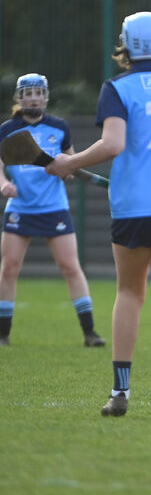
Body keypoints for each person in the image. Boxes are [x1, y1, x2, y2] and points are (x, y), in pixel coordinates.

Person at [47, 11, 151, 419]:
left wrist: (70, 162)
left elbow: (113, 143)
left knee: (129, 293)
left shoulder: (116, 87)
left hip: (134, 206)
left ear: (125, 45)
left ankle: (120, 393)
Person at [0, 74, 105, 348]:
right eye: (28, 93)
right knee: (9, 268)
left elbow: (69, 161)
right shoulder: (7, 129)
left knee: (70, 267)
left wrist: (66, 171)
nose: (33, 97)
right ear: (19, 98)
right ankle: (3, 334)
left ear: (46, 97)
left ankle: (90, 333)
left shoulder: (59, 128)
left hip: (54, 207)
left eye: (38, 92)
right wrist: (3, 184)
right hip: (20, 207)